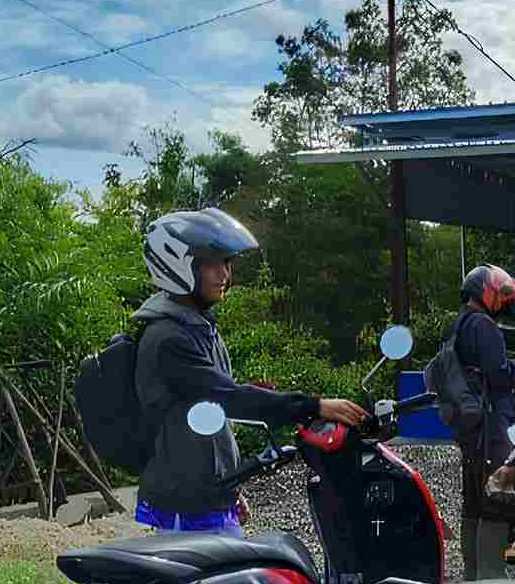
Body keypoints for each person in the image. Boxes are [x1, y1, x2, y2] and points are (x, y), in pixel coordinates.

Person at [131, 208, 366, 535]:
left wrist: (230, 487)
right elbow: (229, 398)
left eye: (227, 263)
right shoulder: (168, 339)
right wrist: (314, 405)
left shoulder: (198, 327)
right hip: (185, 504)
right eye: (213, 263)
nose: (225, 274)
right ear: (178, 265)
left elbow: (209, 420)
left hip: (207, 495)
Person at [449, 264, 515, 579]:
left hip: (470, 433)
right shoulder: (484, 326)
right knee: (497, 504)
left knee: (473, 506)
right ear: (489, 291)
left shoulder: (457, 326)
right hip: (494, 432)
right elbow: (497, 375)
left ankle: (472, 579)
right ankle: (492, 580)